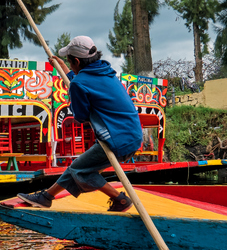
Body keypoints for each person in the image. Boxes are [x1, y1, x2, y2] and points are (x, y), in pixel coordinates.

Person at [18, 35, 143, 212]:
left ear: (76, 61)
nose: (69, 66)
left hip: (117, 138)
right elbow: (85, 83)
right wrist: (65, 71)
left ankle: (120, 199)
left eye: (69, 63)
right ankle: (46, 197)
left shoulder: (79, 83)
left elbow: (81, 117)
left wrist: (73, 91)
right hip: (131, 134)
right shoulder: (105, 71)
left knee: (81, 171)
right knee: (77, 167)